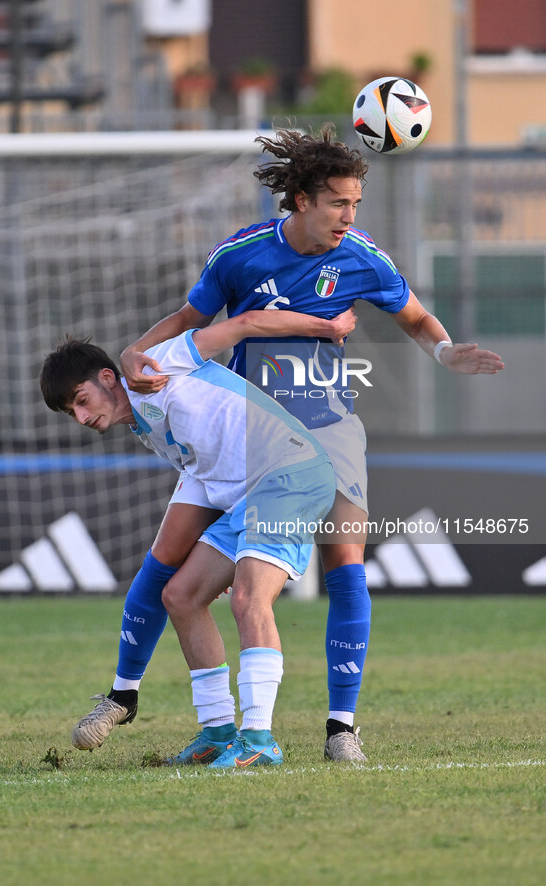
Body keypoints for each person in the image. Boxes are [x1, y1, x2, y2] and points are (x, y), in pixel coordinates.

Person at [117, 125, 505, 763]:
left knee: (343, 563)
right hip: (246, 440)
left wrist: (444, 350)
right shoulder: (240, 256)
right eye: (337, 205)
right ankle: (132, 694)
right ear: (300, 199)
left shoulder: (362, 256)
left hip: (328, 433)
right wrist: (138, 350)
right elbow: (189, 322)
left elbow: (412, 315)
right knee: (176, 572)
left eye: (356, 205)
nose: (349, 218)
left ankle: (340, 729)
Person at [40, 306, 356, 767]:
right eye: (71, 412)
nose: (81, 416)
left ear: (108, 377)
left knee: (249, 599)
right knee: (181, 595)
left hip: (290, 474)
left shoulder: (160, 362)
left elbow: (243, 325)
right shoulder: (144, 426)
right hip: (246, 497)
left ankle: (259, 740)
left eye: (81, 399)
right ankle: (217, 732)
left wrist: (325, 327)